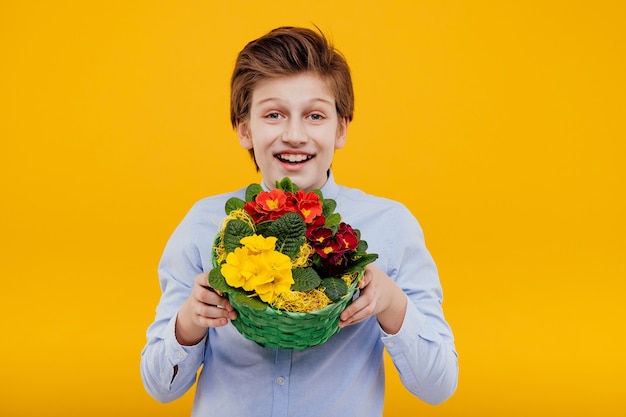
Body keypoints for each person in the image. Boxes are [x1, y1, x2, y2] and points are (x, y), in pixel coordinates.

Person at [140, 26, 458, 417]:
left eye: (315, 115)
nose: (294, 135)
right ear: (244, 128)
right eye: (273, 114)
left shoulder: (389, 227)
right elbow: (159, 387)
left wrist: (390, 301)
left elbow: (439, 385)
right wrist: (189, 321)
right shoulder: (203, 225)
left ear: (340, 128)